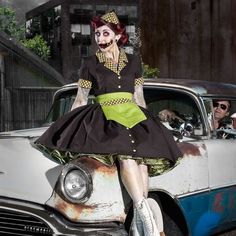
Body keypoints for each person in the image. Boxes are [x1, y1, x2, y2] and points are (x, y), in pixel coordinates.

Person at [36, 11, 182, 236]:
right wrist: (68, 128)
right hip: (107, 117)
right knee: (126, 156)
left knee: (143, 163)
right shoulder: (90, 64)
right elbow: (81, 98)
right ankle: (147, 220)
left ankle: (136, 222)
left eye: (105, 33)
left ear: (116, 35)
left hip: (134, 114)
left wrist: (148, 124)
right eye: (97, 34)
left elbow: (139, 96)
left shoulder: (134, 62)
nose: (100, 39)